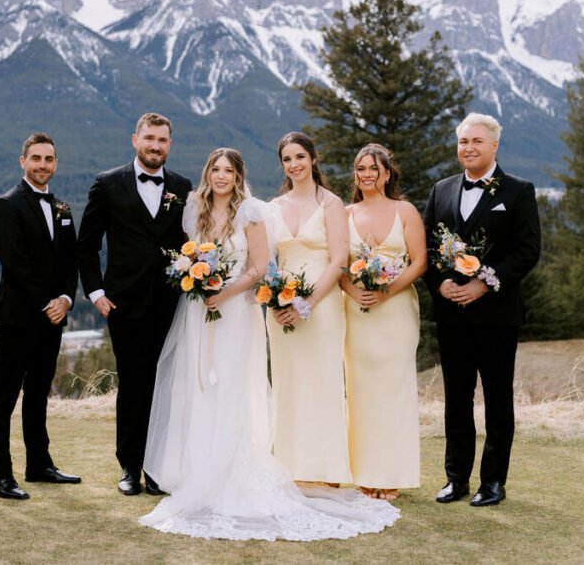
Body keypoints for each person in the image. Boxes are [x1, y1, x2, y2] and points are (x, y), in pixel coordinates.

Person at [141, 148, 399, 540]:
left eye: (229, 170)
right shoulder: (194, 208)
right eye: (216, 169)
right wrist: (194, 279)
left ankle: (236, 468)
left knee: (232, 385)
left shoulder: (254, 212)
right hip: (200, 310)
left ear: (239, 175)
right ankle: (200, 470)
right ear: (207, 173)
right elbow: (189, 254)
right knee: (198, 386)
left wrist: (224, 291)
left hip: (236, 313)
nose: (221, 176)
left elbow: (259, 267)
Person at [423, 113, 541, 507]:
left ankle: (492, 482)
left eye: (476, 141)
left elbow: (527, 251)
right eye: (462, 142)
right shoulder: (441, 190)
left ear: (493, 146)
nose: (468, 148)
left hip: (496, 317)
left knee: (496, 400)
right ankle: (455, 479)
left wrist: (483, 284)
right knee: (456, 399)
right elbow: (426, 247)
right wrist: (441, 283)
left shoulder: (518, 191)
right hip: (451, 315)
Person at [77, 112, 192, 496]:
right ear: (135, 140)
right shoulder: (107, 184)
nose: (155, 146)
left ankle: (158, 468)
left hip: (170, 304)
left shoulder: (183, 186)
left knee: (165, 387)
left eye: (162, 140)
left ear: (169, 145)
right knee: (132, 386)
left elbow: (190, 244)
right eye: (149, 139)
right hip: (123, 305)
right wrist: (96, 293)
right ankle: (129, 467)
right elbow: (87, 245)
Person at [0, 133, 81, 500]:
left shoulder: (63, 208)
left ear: (55, 164)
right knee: (3, 397)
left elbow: (71, 261)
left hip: (53, 318)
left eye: (49, 159)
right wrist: (48, 301)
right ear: (22, 161)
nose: (43, 164)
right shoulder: (6, 205)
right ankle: (1, 475)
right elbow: (16, 262)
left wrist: (66, 300)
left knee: (38, 394)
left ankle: (39, 464)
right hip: (18, 317)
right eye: (36, 158)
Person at [339, 144, 426, 500]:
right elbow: (339, 265)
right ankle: (363, 473)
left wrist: (387, 291)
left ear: (387, 173)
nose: (367, 174)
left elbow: (419, 262)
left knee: (394, 391)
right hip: (357, 312)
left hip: (395, 312)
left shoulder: (404, 211)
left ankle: (391, 473)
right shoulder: (344, 213)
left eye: (374, 168)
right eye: (361, 168)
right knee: (360, 393)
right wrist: (353, 290)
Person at [266, 132, 351, 484]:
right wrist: (273, 300)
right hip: (283, 309)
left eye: (300, 156)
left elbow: (340, 260)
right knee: (288, 382)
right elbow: (267, 262)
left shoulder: (330, 203)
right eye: (287, 159)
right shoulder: (273, 207)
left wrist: (308, 301)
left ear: (313, 159)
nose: (294, 164)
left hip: (323, 305)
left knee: (324, 380)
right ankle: (290, 464)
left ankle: (328, 465)